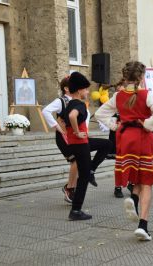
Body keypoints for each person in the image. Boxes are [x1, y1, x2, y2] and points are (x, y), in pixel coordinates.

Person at [95, 61, 153, 241]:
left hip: (125, 139)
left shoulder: (118, 96)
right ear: (142, 77)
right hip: (143, 138)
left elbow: (99, 114)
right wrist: (148, 124)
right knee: (147, 180)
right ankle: (143, 225)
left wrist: (115, 125)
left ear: (125, 77)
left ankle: (133, 199)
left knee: (136, 175)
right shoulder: (147, 94)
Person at [42, 77, 77, 203]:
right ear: (66, 89)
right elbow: (45, 111)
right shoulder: (61, 101)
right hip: (63, 136)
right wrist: (57, 127)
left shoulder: (77, 100)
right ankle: (69, 189)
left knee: (79, 161)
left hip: (75, 135)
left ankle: (70, 187)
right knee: (76, 160)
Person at [64, 72, 94, 220]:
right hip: (80, 143)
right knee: (84, 176)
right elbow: (71, 117)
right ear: (79, 90)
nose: (87, 92)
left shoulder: (69, 103)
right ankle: (76, 210)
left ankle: (76, 209)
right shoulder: (79, 104)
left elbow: (64, 121)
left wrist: (73, 133)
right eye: (86, 89)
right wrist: (77, 132)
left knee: (105, 145)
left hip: (74, 143)